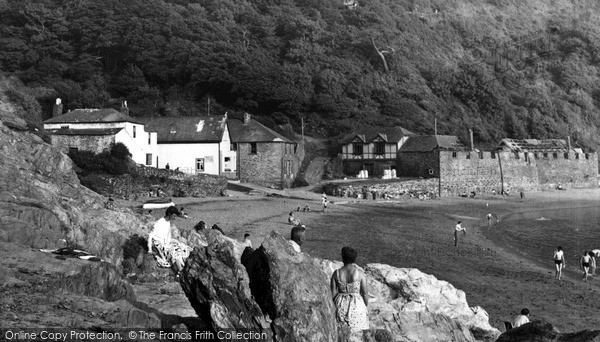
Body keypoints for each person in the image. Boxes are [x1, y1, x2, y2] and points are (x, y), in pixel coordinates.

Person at [330, 246, 370, 332]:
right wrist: (365, 306)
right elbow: (365, 293)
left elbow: (332, 294)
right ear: (354, 259)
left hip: (340, 305)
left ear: (343, 258)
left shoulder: (336, 273)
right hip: (357, 305)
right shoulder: (360, 274)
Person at [147, 206, 191, 273]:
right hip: (159, 245)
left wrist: (176, 241)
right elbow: (150, 236)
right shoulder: (159, 223)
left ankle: (184, 266)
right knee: (175, 251)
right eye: (174, 215)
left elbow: (167, 236)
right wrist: (149, 249)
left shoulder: (168, 222)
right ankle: (180, 270)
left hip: (165, 242)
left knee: (183, 246)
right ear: (169, 214)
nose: (175, 217)